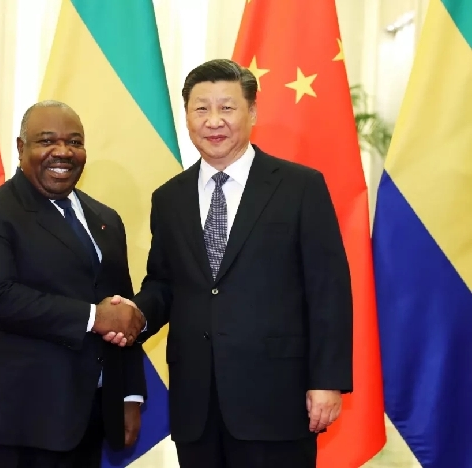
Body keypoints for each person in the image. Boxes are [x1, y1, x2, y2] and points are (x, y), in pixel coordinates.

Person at [106, 59, 353, 468]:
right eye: (201, 108)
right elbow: (164, 284)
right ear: (187, 116)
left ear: (252, 112)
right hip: (197, 403)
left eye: (227, 107)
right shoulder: (169, 198)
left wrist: (327, 381)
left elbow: (328, 290)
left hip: (277, 399)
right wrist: (134, 314)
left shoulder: (300, 187)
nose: (213, 121)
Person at [0, 100, 146, 468]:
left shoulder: (106, 219)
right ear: (21, 148)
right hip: (8, 422)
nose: (62, 152)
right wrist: (92, 317)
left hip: (86, 418)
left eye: (74, 142)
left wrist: (129, 395)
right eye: (47, 141)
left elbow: (120, 309)